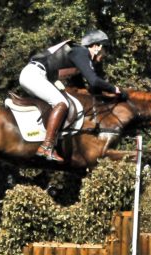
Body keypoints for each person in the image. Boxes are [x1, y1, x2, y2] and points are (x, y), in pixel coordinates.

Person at [19, 29, 124, 162]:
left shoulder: (79, 58)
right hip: (34, 74)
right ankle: (46, 146)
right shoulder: (81, 52)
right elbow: (95, 81)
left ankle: (42, 138)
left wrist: (109, 98)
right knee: (61, 103)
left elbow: (85, 89)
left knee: (64, 101)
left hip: (37, 75)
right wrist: (115, 89)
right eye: (106, 50)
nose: (105, 54)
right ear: (97, 46)